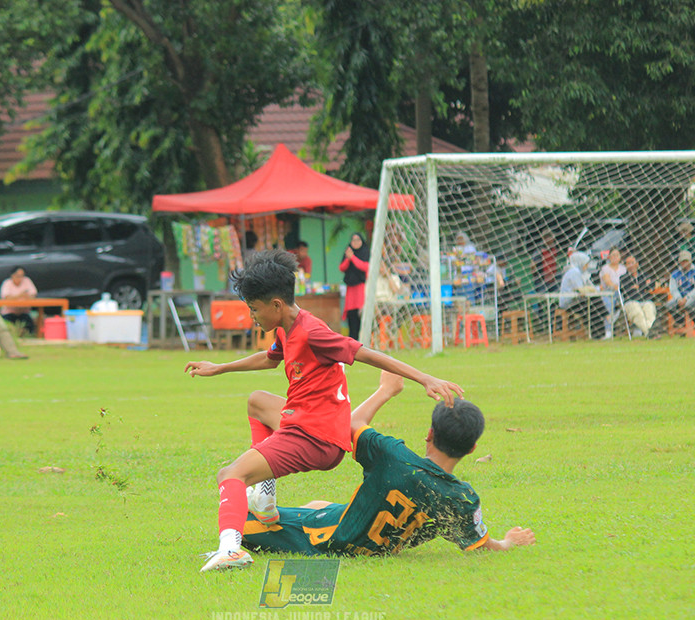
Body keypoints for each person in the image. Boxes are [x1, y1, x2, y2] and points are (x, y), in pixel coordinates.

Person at [185, 249, 463, 573]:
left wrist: (424, 377)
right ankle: (265, 500)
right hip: (303, 421)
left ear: (275, 305)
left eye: (254, 309)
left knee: (230, 475)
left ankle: (230, 550)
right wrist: (220, 368)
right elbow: (270, 358)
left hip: (314, 437)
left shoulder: (313, 332)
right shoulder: (286, 326)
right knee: (258, 401)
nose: (252, 316)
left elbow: (364, 352)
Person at [241, 371, 536, 558]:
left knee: (237, 521)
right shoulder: (461, 498)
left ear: (429, 434)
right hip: (368, 537)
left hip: (330, 540)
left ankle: (265, 483)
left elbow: (349, 426)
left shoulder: (394, 458)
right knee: (320, 504)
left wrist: (386, 390)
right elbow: (484, 545)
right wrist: (510, 541)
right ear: (471, 449)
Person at [558, 251, 608, 339]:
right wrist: (597, 289)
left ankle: (600, 332)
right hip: (568, 302)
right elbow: (581, 290)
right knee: (592, 303)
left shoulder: (578, 272)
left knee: (594, 301)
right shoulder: (574, 272)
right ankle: (601, 327)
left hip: (575, 300)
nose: (587, 266)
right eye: (586, 264)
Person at [339, 232, 370, 341]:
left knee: (361, 315)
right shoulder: (348, 252)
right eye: (353, 240)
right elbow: (342, 267)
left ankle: (364, 341)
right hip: (350, 289)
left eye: (358, 240)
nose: (355, 242)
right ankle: (353, 341)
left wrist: (353, 258)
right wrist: (348, 258)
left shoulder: (365, 252)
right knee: (351, 316)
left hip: (361, 288)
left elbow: (365, 267)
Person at [666, 250, 695, 335]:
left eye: (686, 261)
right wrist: (679, 298)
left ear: (690, 261)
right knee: (669, 305)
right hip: (679, 298)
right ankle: (681, 324)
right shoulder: (675, 274)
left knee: (689, 304)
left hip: (694, 298)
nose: (684, 263)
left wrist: (686, 298)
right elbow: (673, 289)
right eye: (682, 261)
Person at [621, 254, 659, 338]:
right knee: (637, 312)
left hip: (644, 301)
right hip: (631, 302)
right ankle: (649, 333)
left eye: (632, 263)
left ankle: (649, 332)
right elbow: (629, 291)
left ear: (637, 264)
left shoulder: (644, 275)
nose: (630, 265)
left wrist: (639, 287)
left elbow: (652, 285)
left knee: (650, 308)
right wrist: (644, 286)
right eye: (628, 263)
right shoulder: (623, 278)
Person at [0, 266, 38, 335]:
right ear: (12, 275)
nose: (20, 278)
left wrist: (21, 297)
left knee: (29, 324)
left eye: (22, 276)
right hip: (9, 312)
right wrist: (20, 295)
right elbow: (6, 297)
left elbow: (33, 295)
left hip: (23, 312)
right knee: (6, 324)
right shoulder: (7, 283)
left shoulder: (27, 281)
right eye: (18, 276)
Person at [598, 248, 626, 339]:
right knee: (608, 305)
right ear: (609, 257)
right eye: (613, 255)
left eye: (617, 255)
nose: (615, 257)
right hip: (608, 292)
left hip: (621, 292)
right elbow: (607, 281)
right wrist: (614, 286)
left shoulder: (623, 269)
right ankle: (608, 331)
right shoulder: (605, 268)